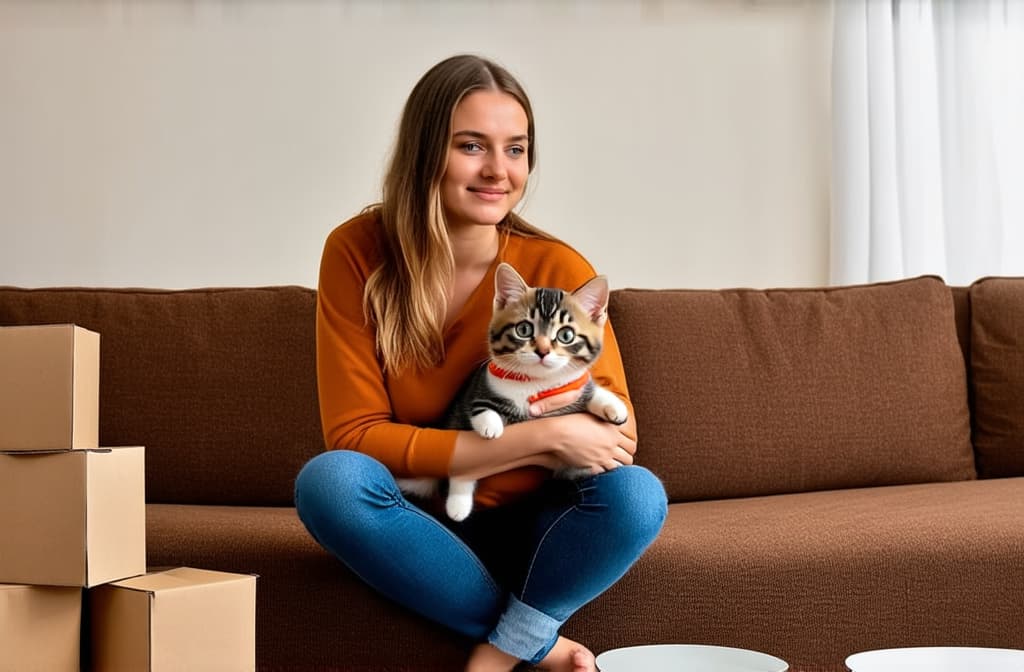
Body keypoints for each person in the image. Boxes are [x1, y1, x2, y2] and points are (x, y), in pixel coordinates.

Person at [294, 54, 667, 672]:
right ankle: (536, 641)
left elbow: (616, 441)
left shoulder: (557, 268)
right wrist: (546, 435)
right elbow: (356, 438)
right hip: (417, 522)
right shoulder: (357, 253)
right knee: (329, 483)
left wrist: (553, 442)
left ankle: (499, 650)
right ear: (424, 153)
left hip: (542, 524)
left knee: (636, 496)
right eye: (472, 146)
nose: (498, 170)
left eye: (515, 149)